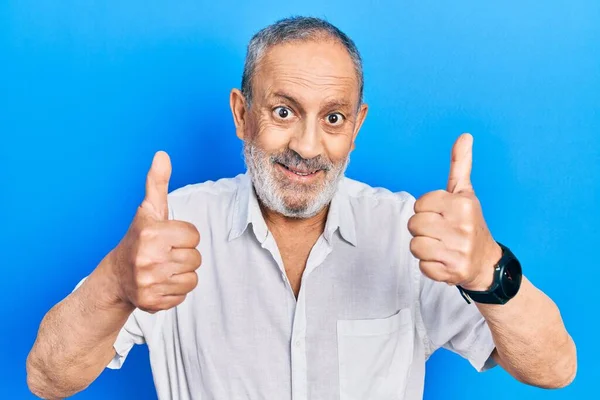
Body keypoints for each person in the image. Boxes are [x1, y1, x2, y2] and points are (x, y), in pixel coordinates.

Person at [26, 16, 576, 400]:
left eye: (333, 118)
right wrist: (117, 282)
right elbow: (46, 378)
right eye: (284, 111)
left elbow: (555, 369)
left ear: (356, 127)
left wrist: (489, 271)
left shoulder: (410, 234)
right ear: (242, 115)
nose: (309, 147)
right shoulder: (175, 230)